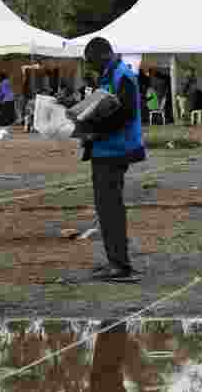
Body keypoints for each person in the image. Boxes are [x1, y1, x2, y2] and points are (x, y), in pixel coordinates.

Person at [83, 36, 146, 283]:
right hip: (104, 149)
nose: (91, 67)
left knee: (110, 209)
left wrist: (96, 129)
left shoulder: (123, 76)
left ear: (104, 55)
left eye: (92, 62)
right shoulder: (109, 76)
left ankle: (120, 265)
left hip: (116, 150)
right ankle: (115, 261)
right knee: (106, 209)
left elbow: (126, 114)